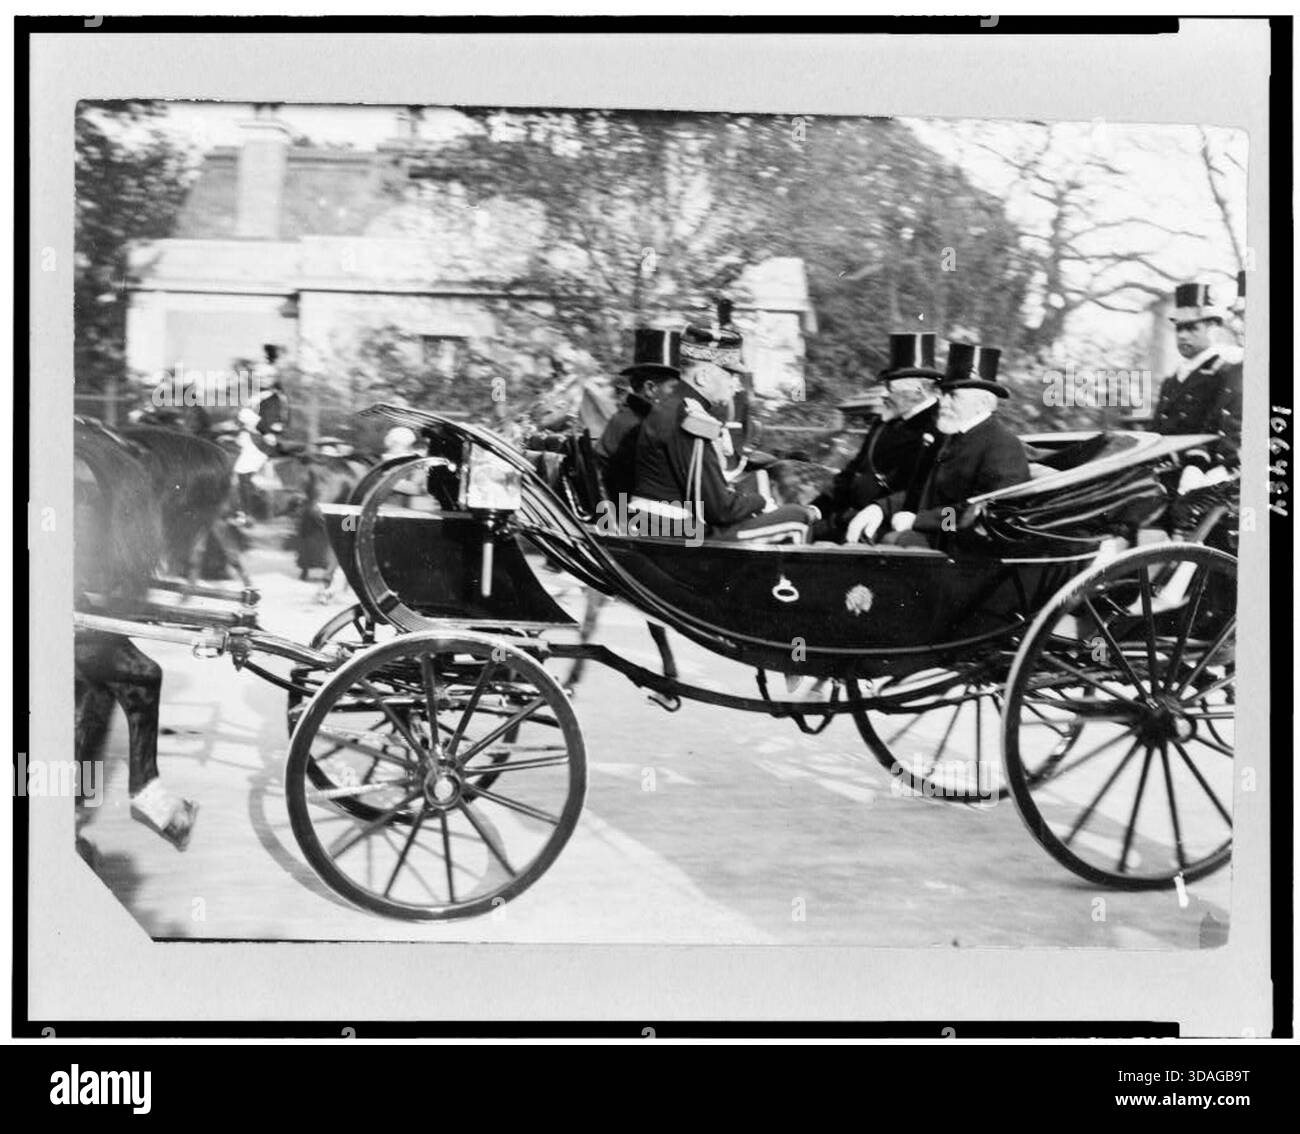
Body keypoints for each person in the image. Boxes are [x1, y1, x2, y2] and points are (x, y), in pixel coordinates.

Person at [631, 322, 819, 543]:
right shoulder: (692, 418)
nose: (736, 384)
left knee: (759, 481)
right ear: (703, 376)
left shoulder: (672, 406)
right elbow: (719, 510)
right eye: (730, 373)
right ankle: (785, 578)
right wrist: (762, 500)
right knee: (797, 516)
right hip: (676, 536)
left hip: (654, 526)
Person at [847, 342, 1028, 549]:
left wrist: (918, 521)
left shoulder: (1002, 446)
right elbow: (922, 491)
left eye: (954, 396)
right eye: (943, 393)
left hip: (968, 553)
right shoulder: (951, 436)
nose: (943, 402)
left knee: (891, 544)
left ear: (983, 403)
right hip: (937, 542)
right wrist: (880, 509)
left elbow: (983, 515)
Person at [812, 331, 943, 541]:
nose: (884, 394)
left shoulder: (939, 427)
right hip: (846, 516)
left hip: (886, 525)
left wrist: (880, 510)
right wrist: (817, 508)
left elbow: (927, 490)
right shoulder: (884, 422)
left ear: (918, 390)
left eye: (890, 387)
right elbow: (852, 472)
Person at [1151, 281, 1243, 493]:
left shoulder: (1225, 372)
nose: (1182, 335)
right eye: (1179, 328)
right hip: (1161, 471)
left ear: (1212, 329)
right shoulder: (1172, 380)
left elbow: (1229, 428)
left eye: (1192, 328)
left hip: (1196, 475)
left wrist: (1206, 469)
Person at [596, 328, 681, 500]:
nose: (677, 396)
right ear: (650, 388)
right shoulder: (638, 425)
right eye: (673, 388)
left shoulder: (628, 417)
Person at [231, 406, 268, 526]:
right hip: (254, 455)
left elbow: (240, 443)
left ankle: (245, 514)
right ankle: (245, 513)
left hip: (251, 456)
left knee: (243, 483)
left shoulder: (246, 430)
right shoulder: (252, 429)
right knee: (244, 483)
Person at [252, 344, 290, 446]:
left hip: (266, 435)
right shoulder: (260, 390)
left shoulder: (274, 394)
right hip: (260, 430)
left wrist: (268, 432)